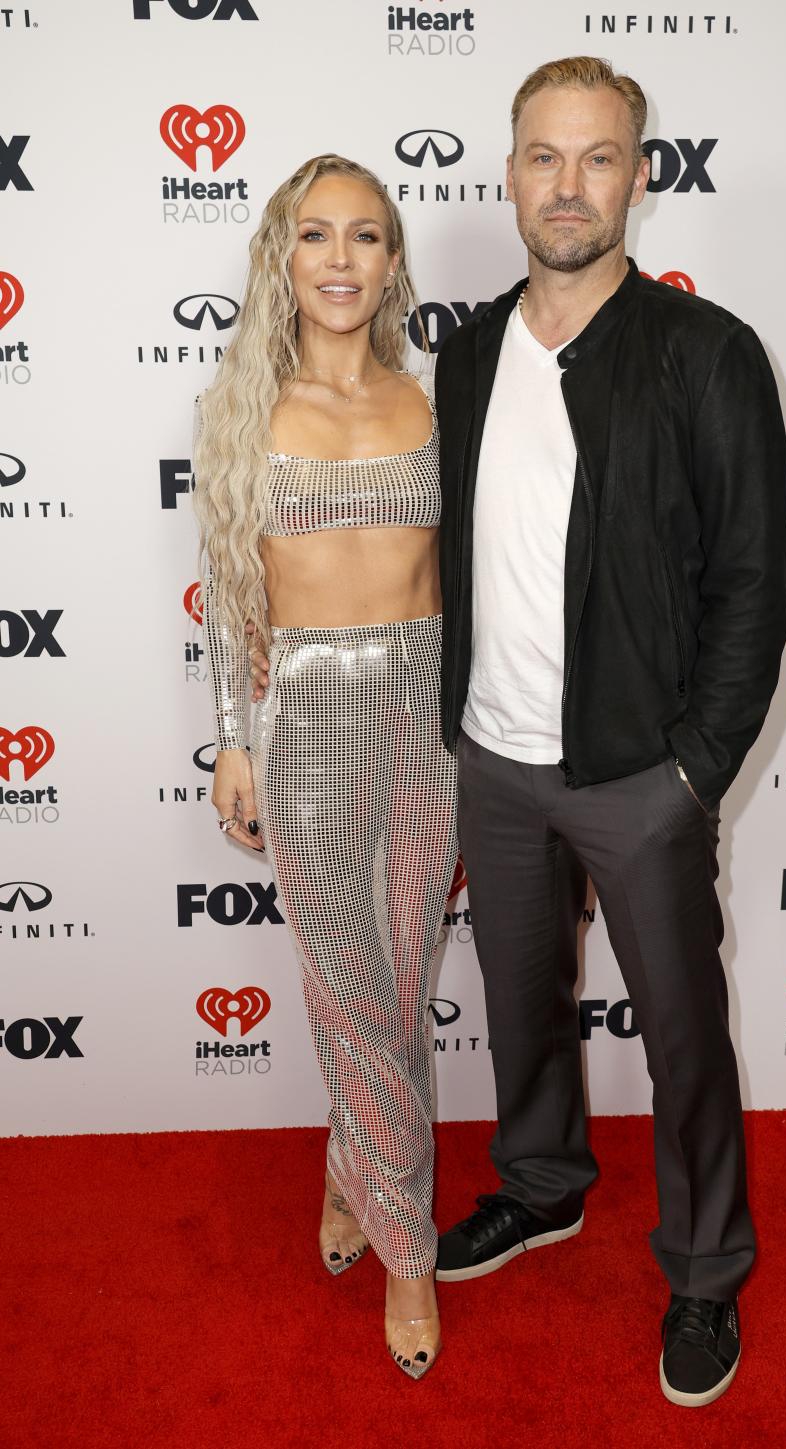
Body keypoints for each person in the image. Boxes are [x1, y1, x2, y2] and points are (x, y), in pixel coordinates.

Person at [430, 56, 786, 1408]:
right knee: (522, 1005)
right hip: (498, 762)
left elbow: (751, 582)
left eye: (597, 157)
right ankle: (543, 1186)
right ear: (509, 171)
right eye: (543, 155)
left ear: (640, 176)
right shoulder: (465, 354)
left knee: (684, 1030)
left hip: (644, 771)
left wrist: (696, 768)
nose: (567, 184)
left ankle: (704, 1269)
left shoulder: (708, 354)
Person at [194, 154, 457, 1380]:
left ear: (393, 260)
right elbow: (225, 600)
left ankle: (350, 1168)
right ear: (281, 259)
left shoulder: (432, 401)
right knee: (349, 985)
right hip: (303, 715)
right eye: (316, 236)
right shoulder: (242, 410)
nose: (341, 259)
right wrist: (231, 739)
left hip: (425, 712)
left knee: (398, 984)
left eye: (364, 235)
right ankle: (412, 1250)